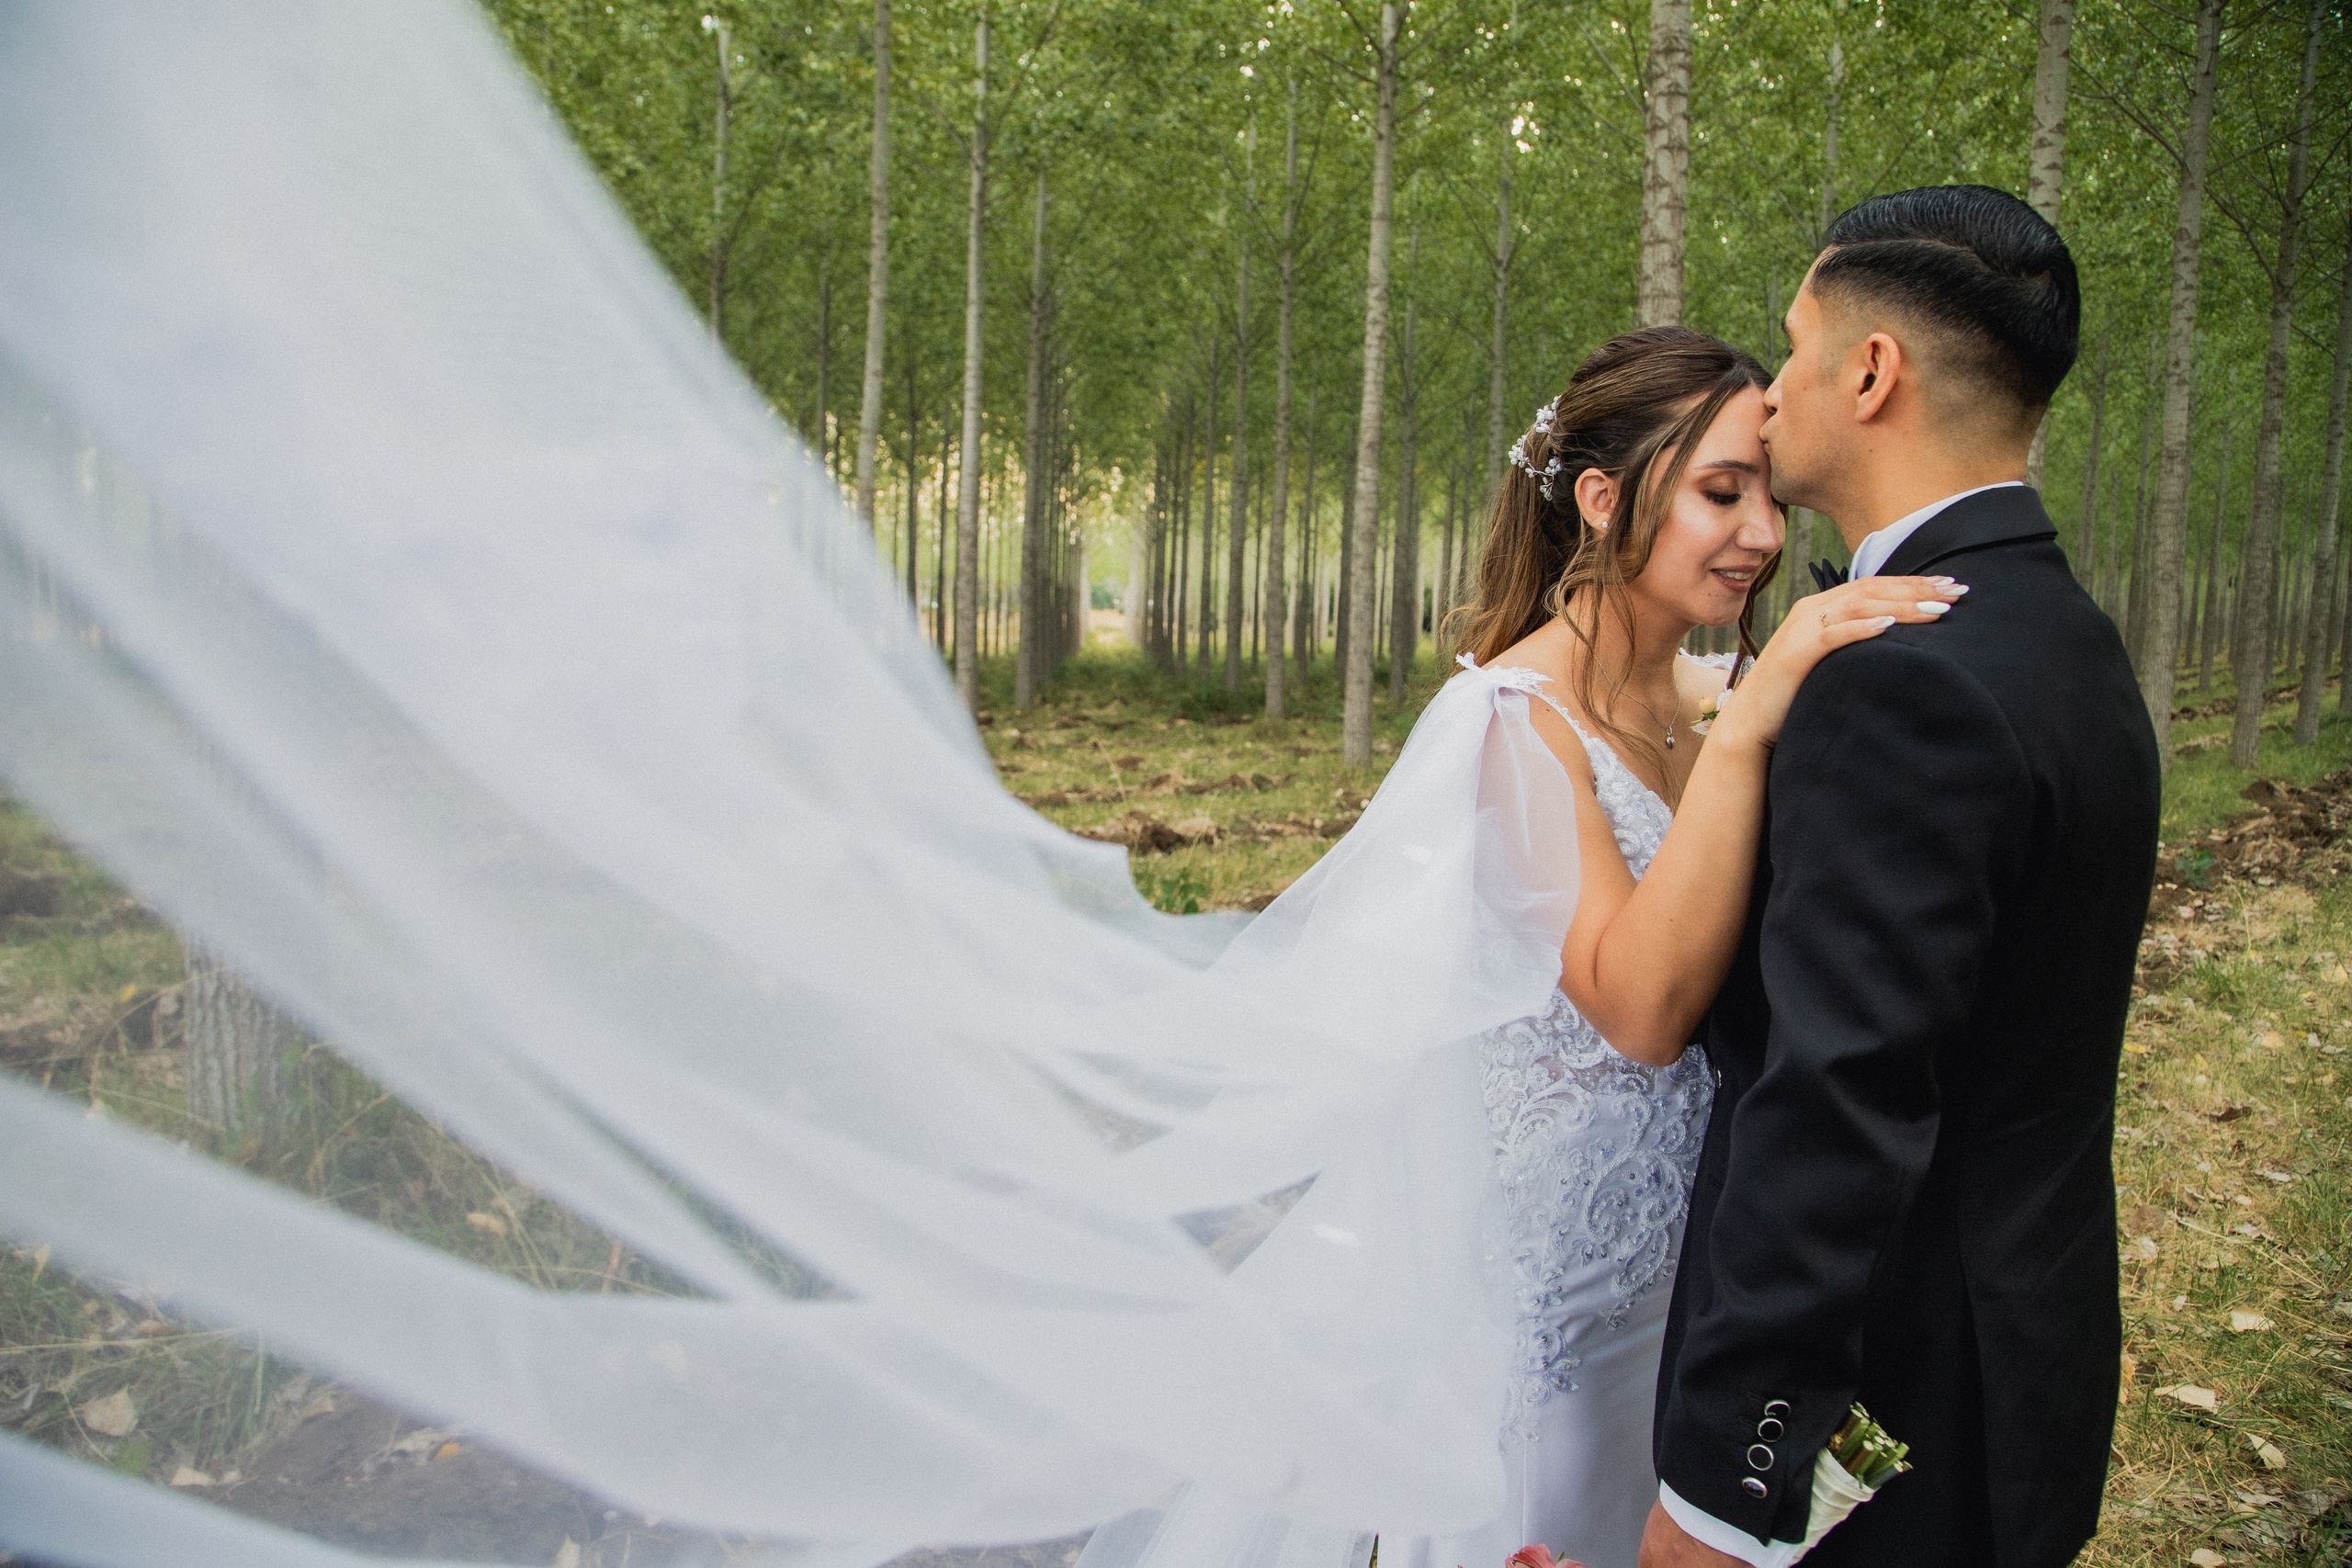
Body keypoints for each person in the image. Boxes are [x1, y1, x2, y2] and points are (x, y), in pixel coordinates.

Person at [1084, 329, 1962, 1568]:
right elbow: (1641, 1005)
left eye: (1770, 490)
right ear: (1603, 500)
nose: (1762, 533)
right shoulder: (1512, 721)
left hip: (1703, 1279)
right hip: (1557, 1301)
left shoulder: (1708, 696)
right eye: (1721, 491)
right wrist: (1761, 725)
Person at [1638, 187, 2161, 1568]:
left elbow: (1838, 1117)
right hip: (2019, 1365)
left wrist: (1720, 1490)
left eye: (1793, 348)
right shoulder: (2066, 637)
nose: (1768, 397)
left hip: (1883, 1418)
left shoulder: (1904, 686)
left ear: (1871, 374)